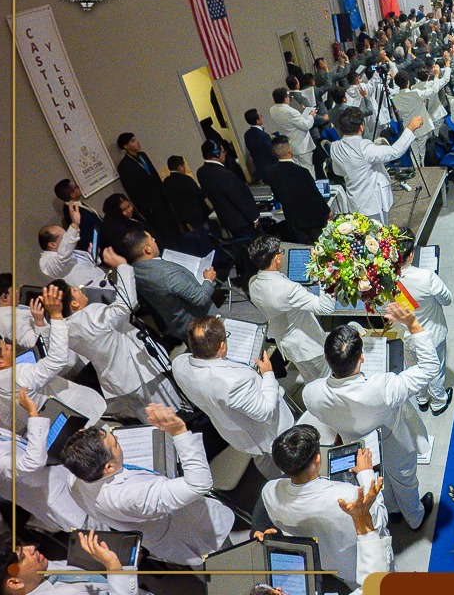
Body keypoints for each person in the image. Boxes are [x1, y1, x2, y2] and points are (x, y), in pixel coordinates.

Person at [303, 304, 436, 530]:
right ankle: (415, 517)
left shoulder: (311, 393)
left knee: (378, 479)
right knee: (404, 478)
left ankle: (393, 510)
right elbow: (429, 368)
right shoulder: (383, 387)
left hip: (355, 445)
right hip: (392, 438)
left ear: (326, 359)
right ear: (362, 358)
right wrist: (413, 324)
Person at [61, 403, 233, 566]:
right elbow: (198, 484)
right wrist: (179, 432)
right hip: (191, 532)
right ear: (109, 467)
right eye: (115, 445)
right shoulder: (132, 496)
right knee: (228, 558)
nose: (118, 438)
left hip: (164, 529)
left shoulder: (75, 477)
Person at [48, 248, 184, 421]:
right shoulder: (91, 315)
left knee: (152, 421)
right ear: (74, 304)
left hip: (118, 382)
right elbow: (125, 305)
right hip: (140, 372)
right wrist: (123, 267)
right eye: (75, 290)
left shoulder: (64, 328)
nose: (80, 290)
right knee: (174, 413)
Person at [260, 425, 391, 588]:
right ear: (317, 459)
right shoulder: (347, 497)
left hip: (332, 564)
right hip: (363, 558)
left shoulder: (269, 491)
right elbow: (379, 520)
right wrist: (366, 473)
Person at [172, 317, 292, 474]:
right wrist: (268, 374)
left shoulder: (178, 363)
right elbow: (266, 411)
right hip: (264, 432)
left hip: (233, 429)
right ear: (222, 346)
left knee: (259, 457)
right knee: (281, 456)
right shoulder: (234, 382)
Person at [0, 286, 93, 432]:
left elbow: (9, 421)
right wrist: (56, 315)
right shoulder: (19, 375)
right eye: (6, 348)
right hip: (79, 410)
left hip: (51, 424)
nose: (10, 346)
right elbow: (58, 360)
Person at [0, 387, 92, 533]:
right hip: (60, 501)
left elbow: (24, 445)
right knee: (101, 533)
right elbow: (30, 464)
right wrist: (33, 415)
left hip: (66, 480)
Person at [246, 236, 337, 382]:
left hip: (287, 344)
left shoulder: (253, 283)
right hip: (309, 347)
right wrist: (324, 273)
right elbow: (326, 307)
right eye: (281, 252)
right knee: (326, 382)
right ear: (276, 258)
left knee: (309, 379)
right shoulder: (288, 289)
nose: (282, 254)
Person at [329, 107, 423, 224]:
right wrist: (411, 128)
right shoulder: (364, 147)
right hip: (372, 202)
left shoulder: (335, 147)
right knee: (378, 236)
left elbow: (339, 172)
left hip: (354, 200)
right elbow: (395, 151)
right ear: (362, 126)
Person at [396, 233, 454, 415]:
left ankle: (421, 398)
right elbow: (447, 300)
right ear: (411, 254)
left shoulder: (384, 282)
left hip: (407, 336)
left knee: (415, 369)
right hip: (431, 334)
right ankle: (438, 401)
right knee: (434, 369)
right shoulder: (426, 277)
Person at [125, 229, 217, 340]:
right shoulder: (167, 273)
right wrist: (208, 280)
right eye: (151, 239)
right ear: (147, 249)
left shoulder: (136, 271)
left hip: (179, 326)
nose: (154, 240)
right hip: (203, 324)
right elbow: (200, 298)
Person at [0, 530, 139, 595]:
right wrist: (114, 567)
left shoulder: (38, 573)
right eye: (22, 556)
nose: (30, 548)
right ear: (15, 583)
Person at [263, 136, 330, 245]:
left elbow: (277, 193)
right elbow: (314, 195)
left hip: (292, 217)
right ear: (289, 149)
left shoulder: (270, 172)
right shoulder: (302, 172)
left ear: (274, 152)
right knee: (320, 245)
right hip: (311, 217)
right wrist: (327, 210)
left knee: (303, 245)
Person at [114, 132, 177, 245]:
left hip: (162, 197)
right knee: (164, 233)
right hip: (151, 205)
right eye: (132, 141)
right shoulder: (125, 166)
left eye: (135, 139)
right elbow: (133, 191)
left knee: (174, 225)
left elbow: (154, 175)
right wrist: (146, 208)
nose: (137, 142)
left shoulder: (142, 155)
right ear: (126, 146)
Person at [197, 139, 260, 240]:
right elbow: (239, 198)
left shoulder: (201, 172)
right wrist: (254, 217)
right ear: (216, 154)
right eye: (223, 152)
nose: (225, 154)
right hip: (242, 221)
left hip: (227, 220)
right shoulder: (223, 174)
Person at [37, 205, 110, 288]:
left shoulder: (67, 252)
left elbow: (83, 268)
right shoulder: (48, 263)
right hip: (93, 292)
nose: (68, 239)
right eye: (64, 237)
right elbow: (62, 257)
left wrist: (92, 256)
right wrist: (74, 225)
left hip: (103, 282)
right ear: (52, 244)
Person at [266, 87, 317, 176]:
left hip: (289, 144)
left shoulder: (273, 110)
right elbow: (306, 125)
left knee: (297, 170)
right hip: (301, 145)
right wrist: (311, 116)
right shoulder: (291, 112)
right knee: (308, 168)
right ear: (286, 99)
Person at [0, 273, 39, 350]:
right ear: (4, 297)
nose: (17, 291)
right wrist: (39, 321)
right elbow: (37, 345)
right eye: (14, 289)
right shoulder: (13, 323)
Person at [161, 156, 213, 234]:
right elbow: (200, 194)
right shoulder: (186, 179)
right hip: (199, 214)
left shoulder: (166, 182)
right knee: (211, 233)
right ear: (180, 167)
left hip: (183, 218)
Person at [54, 178, 107, 253]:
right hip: (102, 249)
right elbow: (86, 237)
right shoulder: (74, 212)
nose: (79, 187)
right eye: (76, 187)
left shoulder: (75, 205)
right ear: (72, 194)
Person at [244, 108, 277, 182]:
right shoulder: (263, 136)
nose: (262, 117)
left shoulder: (247, 134)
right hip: (270, 168)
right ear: (257, 120)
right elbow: (271, 153)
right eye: (260, 116)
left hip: (259, 167)